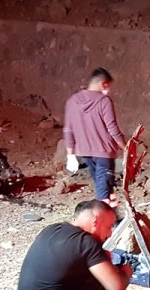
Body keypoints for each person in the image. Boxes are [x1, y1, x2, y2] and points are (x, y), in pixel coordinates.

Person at [63, 67, 126, 207]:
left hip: (85, 152)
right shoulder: (104, 101)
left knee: (104, 186)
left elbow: (68, 130)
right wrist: (125, 147)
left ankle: (113, 216)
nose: (108, 90)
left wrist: (70, 155)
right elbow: (112, 128)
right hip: (104, 152)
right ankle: (102, 216)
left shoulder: (72, 101)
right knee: (103, 193)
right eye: (108, 86)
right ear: (103, 84)